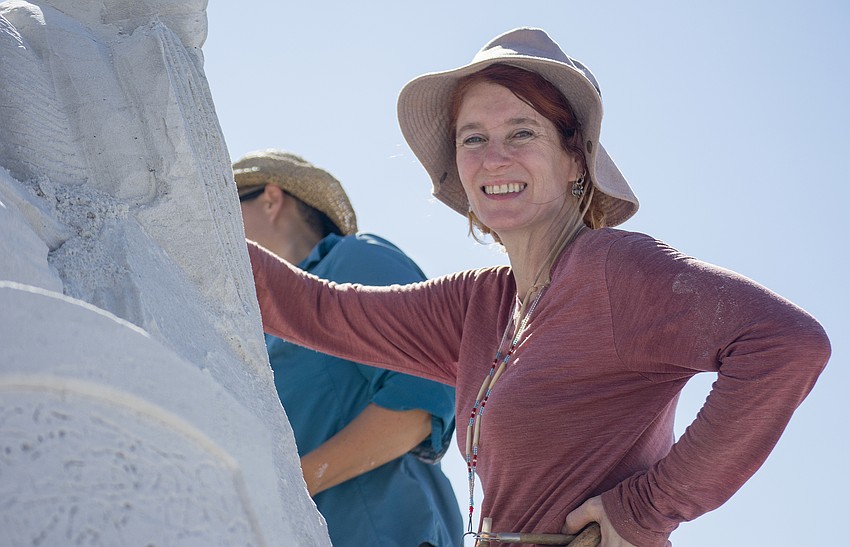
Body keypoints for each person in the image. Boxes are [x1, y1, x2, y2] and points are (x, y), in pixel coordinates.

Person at [244, 29, 831, 547]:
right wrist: (184, 218)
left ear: (576, 160)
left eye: (520, 133)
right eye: (473, 139)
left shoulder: (611, 269)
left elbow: (787, 344)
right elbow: (315, 309)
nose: (493, 158)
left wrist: (648, 510)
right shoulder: (479, 303)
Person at [234, 149, 462, 547]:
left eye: (226, 208)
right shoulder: (259, 330)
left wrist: (288, 485)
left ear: (271, 199)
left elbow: (423, 399)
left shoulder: (350, 257)